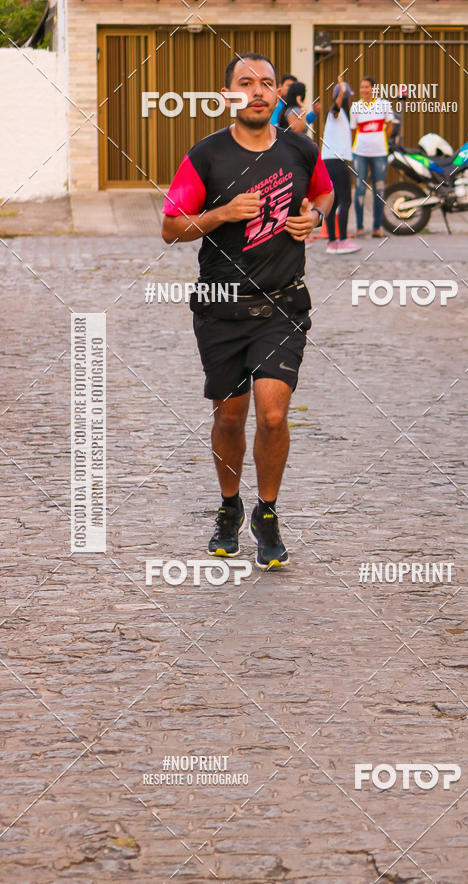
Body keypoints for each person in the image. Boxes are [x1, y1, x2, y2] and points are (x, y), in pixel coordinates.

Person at [161, 52, 334, 569]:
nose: (258, 91)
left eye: (266, 83)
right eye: (245, 83)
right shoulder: (206, 156)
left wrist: (315, 219)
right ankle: (230, 506)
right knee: (230, 418)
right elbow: (171, 228)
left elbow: (323, 196)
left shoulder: (302, 150)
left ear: (278, 93)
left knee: (274, 413)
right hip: (220, 309)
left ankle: (268, 512)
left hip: (283, 304)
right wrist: (221, 214)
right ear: (228, 96)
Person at [350, 76, 394, 238]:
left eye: (367, 87)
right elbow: (353, 130)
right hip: (360, 153)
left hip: (380, 154)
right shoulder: (355, 107)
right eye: (362, 87)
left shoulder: (384, 105)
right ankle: (360, 227)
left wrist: (382, 143)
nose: (364, 90)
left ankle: (377, 227)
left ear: (374, 89)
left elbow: (389, 127)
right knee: (360, 189)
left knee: (379, 190)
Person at [321, 76, 361, 254]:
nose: (349, 99)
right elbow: (336, 106)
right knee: (345, 200)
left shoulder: (339, 116)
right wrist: (341, 93)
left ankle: (332, 242)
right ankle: (342, 240)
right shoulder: (335, 113)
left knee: (334, 200)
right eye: (347, 96)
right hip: (337, 161)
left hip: (330, 161)